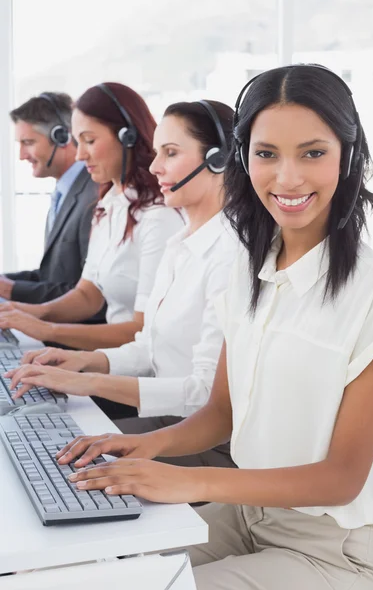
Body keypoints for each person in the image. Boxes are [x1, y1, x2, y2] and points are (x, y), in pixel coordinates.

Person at [31, 65, 373, 589]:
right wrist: (143, 448)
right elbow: (222, 413)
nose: (287, 177)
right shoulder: (248, 269)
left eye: (313, 153)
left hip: (334, 548)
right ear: (242, 158)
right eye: (267, 154)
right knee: (93, 569)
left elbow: (342, 479)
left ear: (348, 154)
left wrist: (182, 480)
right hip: (247, 517)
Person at [9, 100, 238, 467]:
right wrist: (80, 362)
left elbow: (204, 394)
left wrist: (88, 382)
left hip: (205, 442)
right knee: (36, 450)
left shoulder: (231, 255)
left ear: (218, 159)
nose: (154, 165)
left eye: (171, 153)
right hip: (167, 421)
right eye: (158, 151)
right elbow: (148, 348)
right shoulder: (180, 243)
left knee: (58, 467)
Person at [0, 83, 183, 351]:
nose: (79, 154)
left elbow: (143, 331)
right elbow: (88, 294)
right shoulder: (108, 205)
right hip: (112, 363)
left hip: (137, 373)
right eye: (78, 141)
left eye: (89, 140)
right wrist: (21, 311)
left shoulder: (158, 216)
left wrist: (45, 328)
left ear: (127, 137)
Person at [1, 93, 102, 322]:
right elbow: (51, 277)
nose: (21, 156)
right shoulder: (64, 193)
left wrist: (10, 290)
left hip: (78, 344)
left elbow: (89, 295)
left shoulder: (94, 197)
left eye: (28, 143)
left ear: (62, 137)